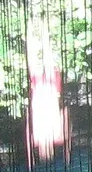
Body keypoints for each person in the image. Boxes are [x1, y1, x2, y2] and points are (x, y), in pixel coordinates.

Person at [25, 19, 68, 164]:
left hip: (39, 93)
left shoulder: (36, 140)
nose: (44, 150)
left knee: (33, 61)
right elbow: (65, 115)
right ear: (51, 150)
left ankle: (30, 27)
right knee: (47, 59)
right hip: (50, 91)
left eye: (42, 152)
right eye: (47, 152)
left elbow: (28, 123)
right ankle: (43, 27)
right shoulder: (58, 137)